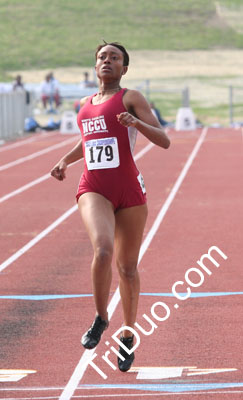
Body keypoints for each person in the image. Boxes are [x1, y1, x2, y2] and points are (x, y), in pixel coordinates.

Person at [50, 42, 170, 372]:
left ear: (124, 68)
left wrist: (135, 123)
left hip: (130, 190)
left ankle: (128, 334)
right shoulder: (85, 105)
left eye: (115, 58)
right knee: (102, 250)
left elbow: (164, 139)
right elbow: (89, 140)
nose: (108, 61)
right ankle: (101, 317)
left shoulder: (131, 98)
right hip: (95, 188)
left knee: (127, 268)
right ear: (95, 66)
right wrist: (65, 160)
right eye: (102, 57)